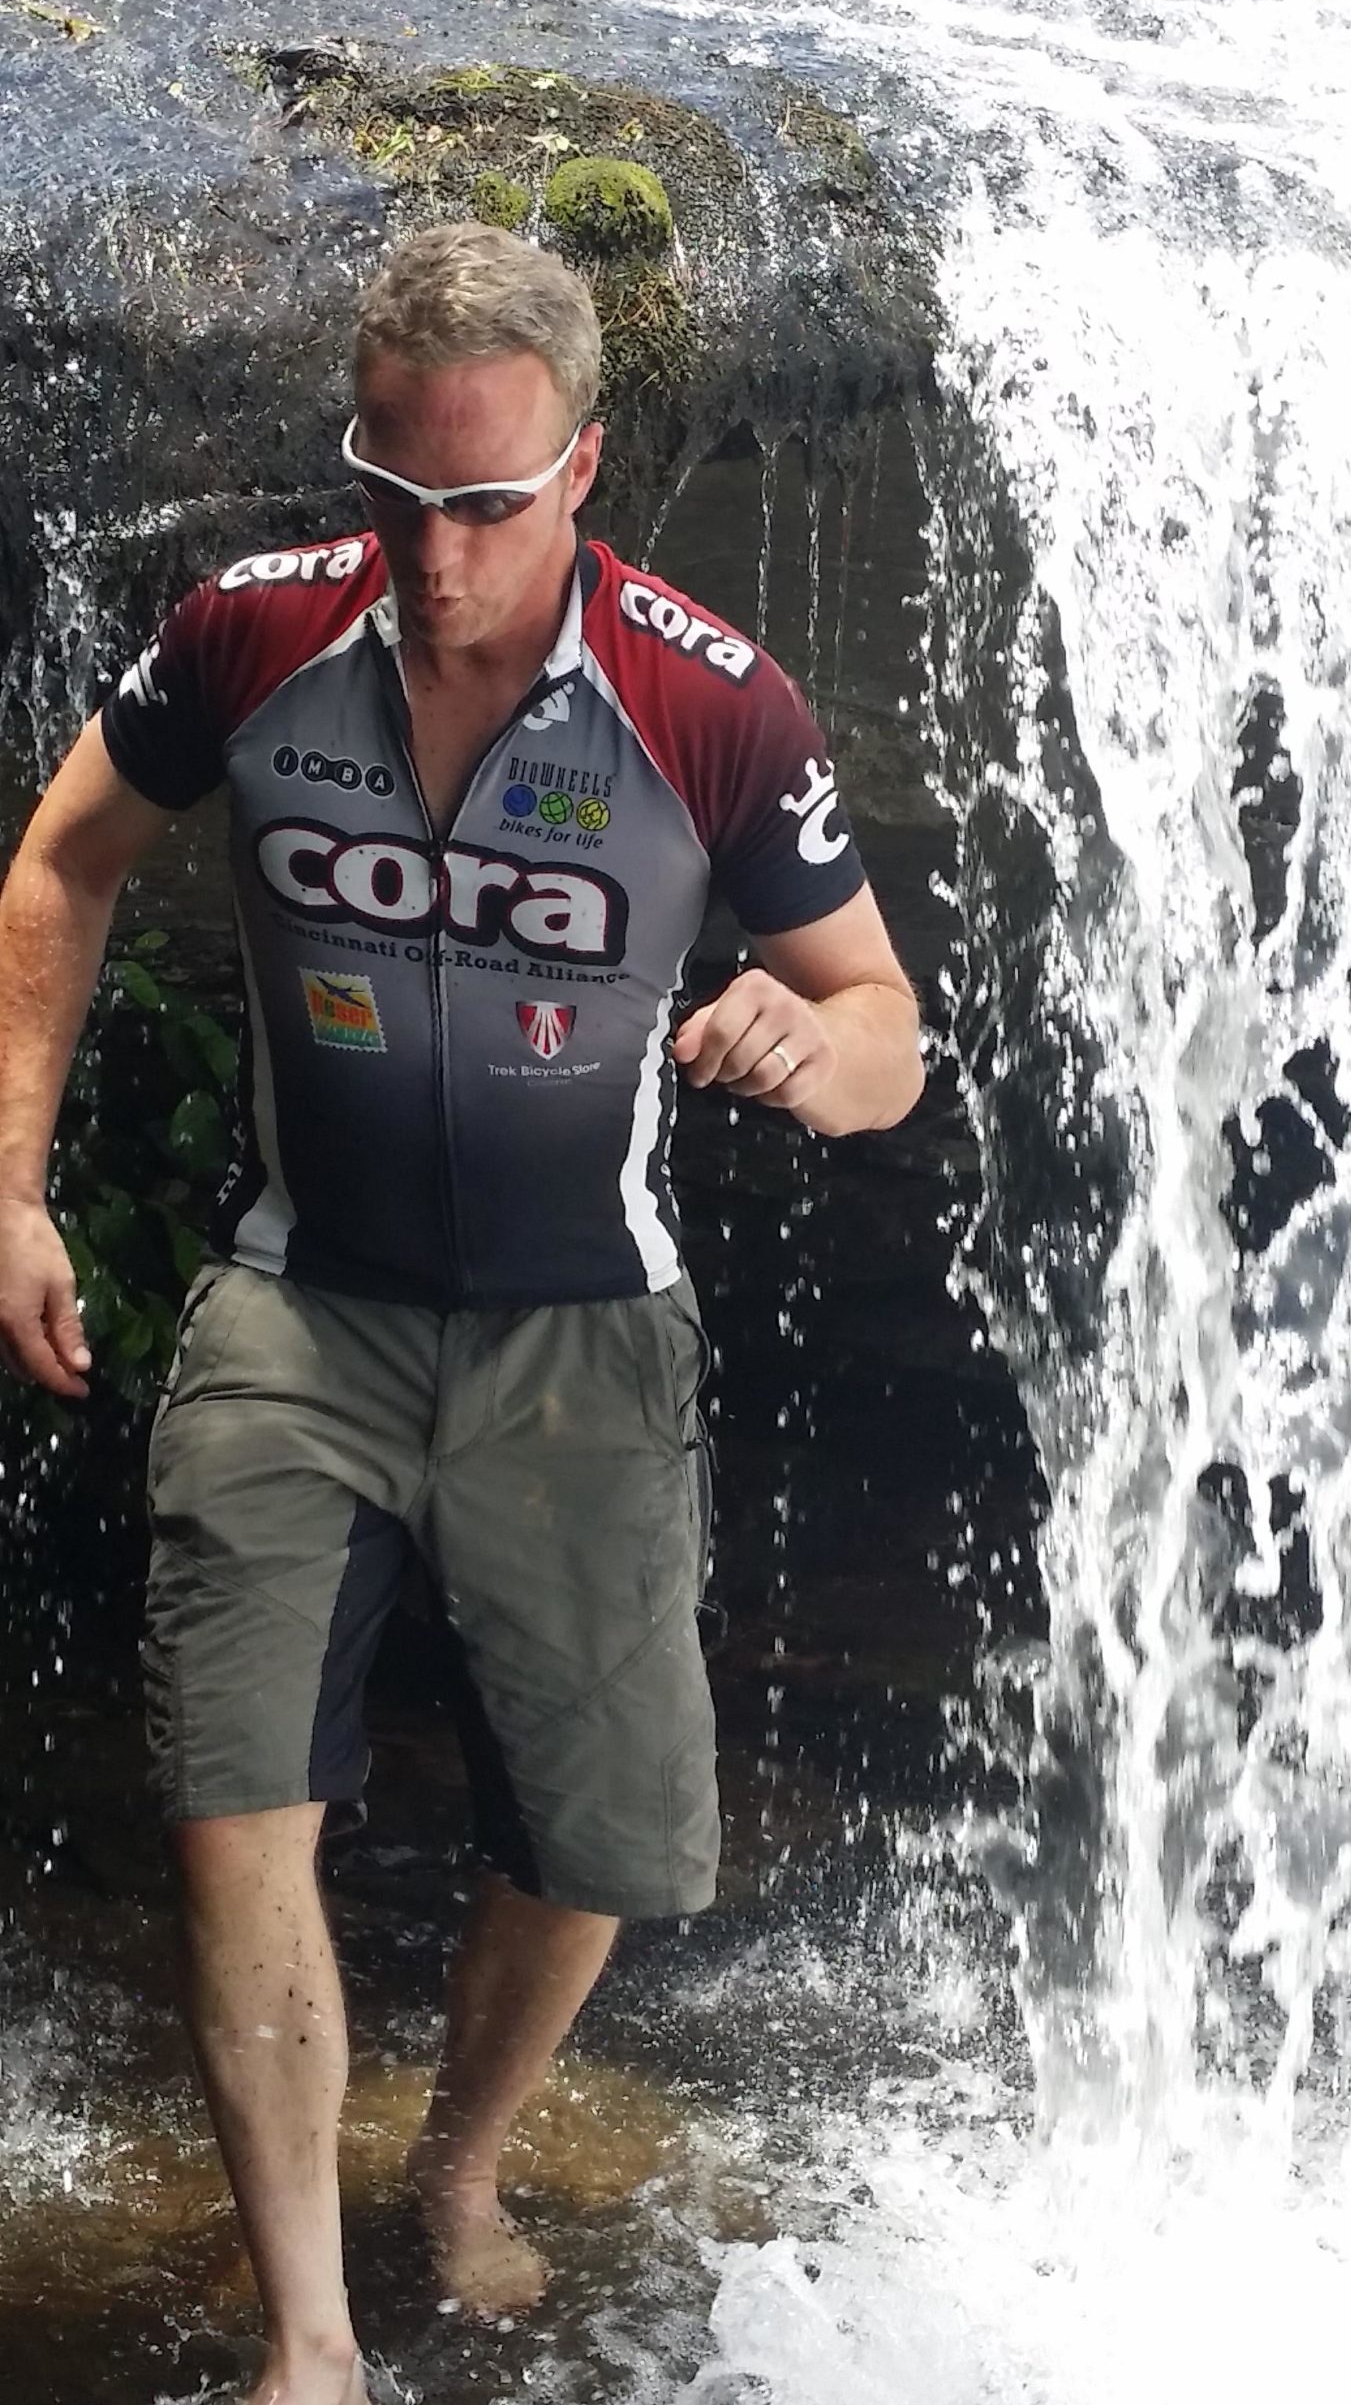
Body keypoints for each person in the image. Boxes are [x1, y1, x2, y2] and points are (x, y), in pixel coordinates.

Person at [0, 221, 923, 2405]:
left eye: (487, 503)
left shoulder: (712, 699)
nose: (433, 557)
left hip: (581, 1326)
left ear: (581, 466)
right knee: (232, 1800)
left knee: (594, 1833)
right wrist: (9, 1185)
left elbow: (883, 1019)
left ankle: (463, 2160)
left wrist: (815, 1048)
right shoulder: (249, 635)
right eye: (393, 493)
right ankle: (311, 2339)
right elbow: (60, 859)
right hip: (297, 1305)